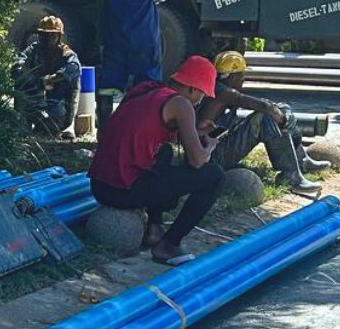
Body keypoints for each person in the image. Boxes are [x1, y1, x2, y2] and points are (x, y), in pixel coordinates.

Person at [86, 57, 231, 266]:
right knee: (215, 176)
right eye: (201, 94)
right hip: (121, 191)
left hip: (99, 186)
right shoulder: (182, 104)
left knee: (164, 152)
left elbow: (151, 130)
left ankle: (154, 228)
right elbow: (198, 161)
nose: (200, 101)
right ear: (192, 88)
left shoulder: (145, 90)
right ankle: (169, 245)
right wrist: (210, 145)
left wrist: (193, 130)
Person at [197, 51, 332, 181]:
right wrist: (283, 117)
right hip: (213, 155)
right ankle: (290, 174)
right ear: (231, 76)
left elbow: (265, 104)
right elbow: (262, 106)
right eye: (241, 74)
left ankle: (301, 159)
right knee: (264, 118)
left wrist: (283, 110)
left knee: (281, 109)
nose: (244, 78)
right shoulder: (224, 93)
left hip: (215, 148)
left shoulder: (218, 88)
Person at [13, 14, 83, 134]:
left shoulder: (67, 54)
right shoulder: (32, 50)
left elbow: (74, 68)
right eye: (44, 35)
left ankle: (66, 124)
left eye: (52, 35)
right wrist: (38, 81)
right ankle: (23, 122)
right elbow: (16, 68)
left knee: (49, 129)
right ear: (39, 35)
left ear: (59, 36)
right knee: (20, 84)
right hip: (34, 98)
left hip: (57, 101)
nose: (48, 38)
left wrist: (52, 79)